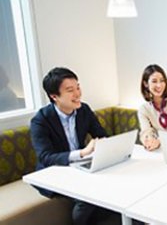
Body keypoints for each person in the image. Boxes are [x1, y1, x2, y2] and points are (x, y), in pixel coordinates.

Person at [30, 67, 121, 225]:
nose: (78, 94)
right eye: (70, 90)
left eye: (78, 87)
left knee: (118, 182)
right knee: (87, 198)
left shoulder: (83, 110)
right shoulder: (40, 120)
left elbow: (101, 134)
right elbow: (45, 157)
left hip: (81, 167)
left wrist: (105, 145)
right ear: (54, 96)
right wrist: (82, 153)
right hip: (55, 171)